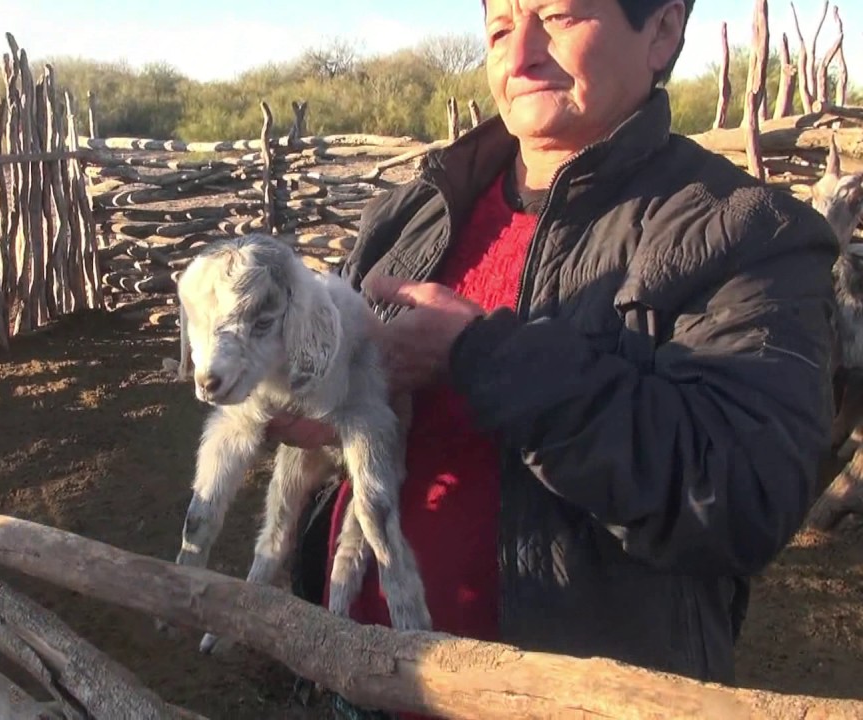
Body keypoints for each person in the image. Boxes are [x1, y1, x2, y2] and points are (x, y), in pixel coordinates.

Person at [268, 0, 841, 715]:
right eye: (500, 28)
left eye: (559, 16)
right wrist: (310, 406)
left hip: (567, 704)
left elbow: (740, 495)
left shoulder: (750, 233)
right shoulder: (415, 212)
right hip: (361, 681)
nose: (520, 54)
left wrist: (482, 357)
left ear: (662, 30)